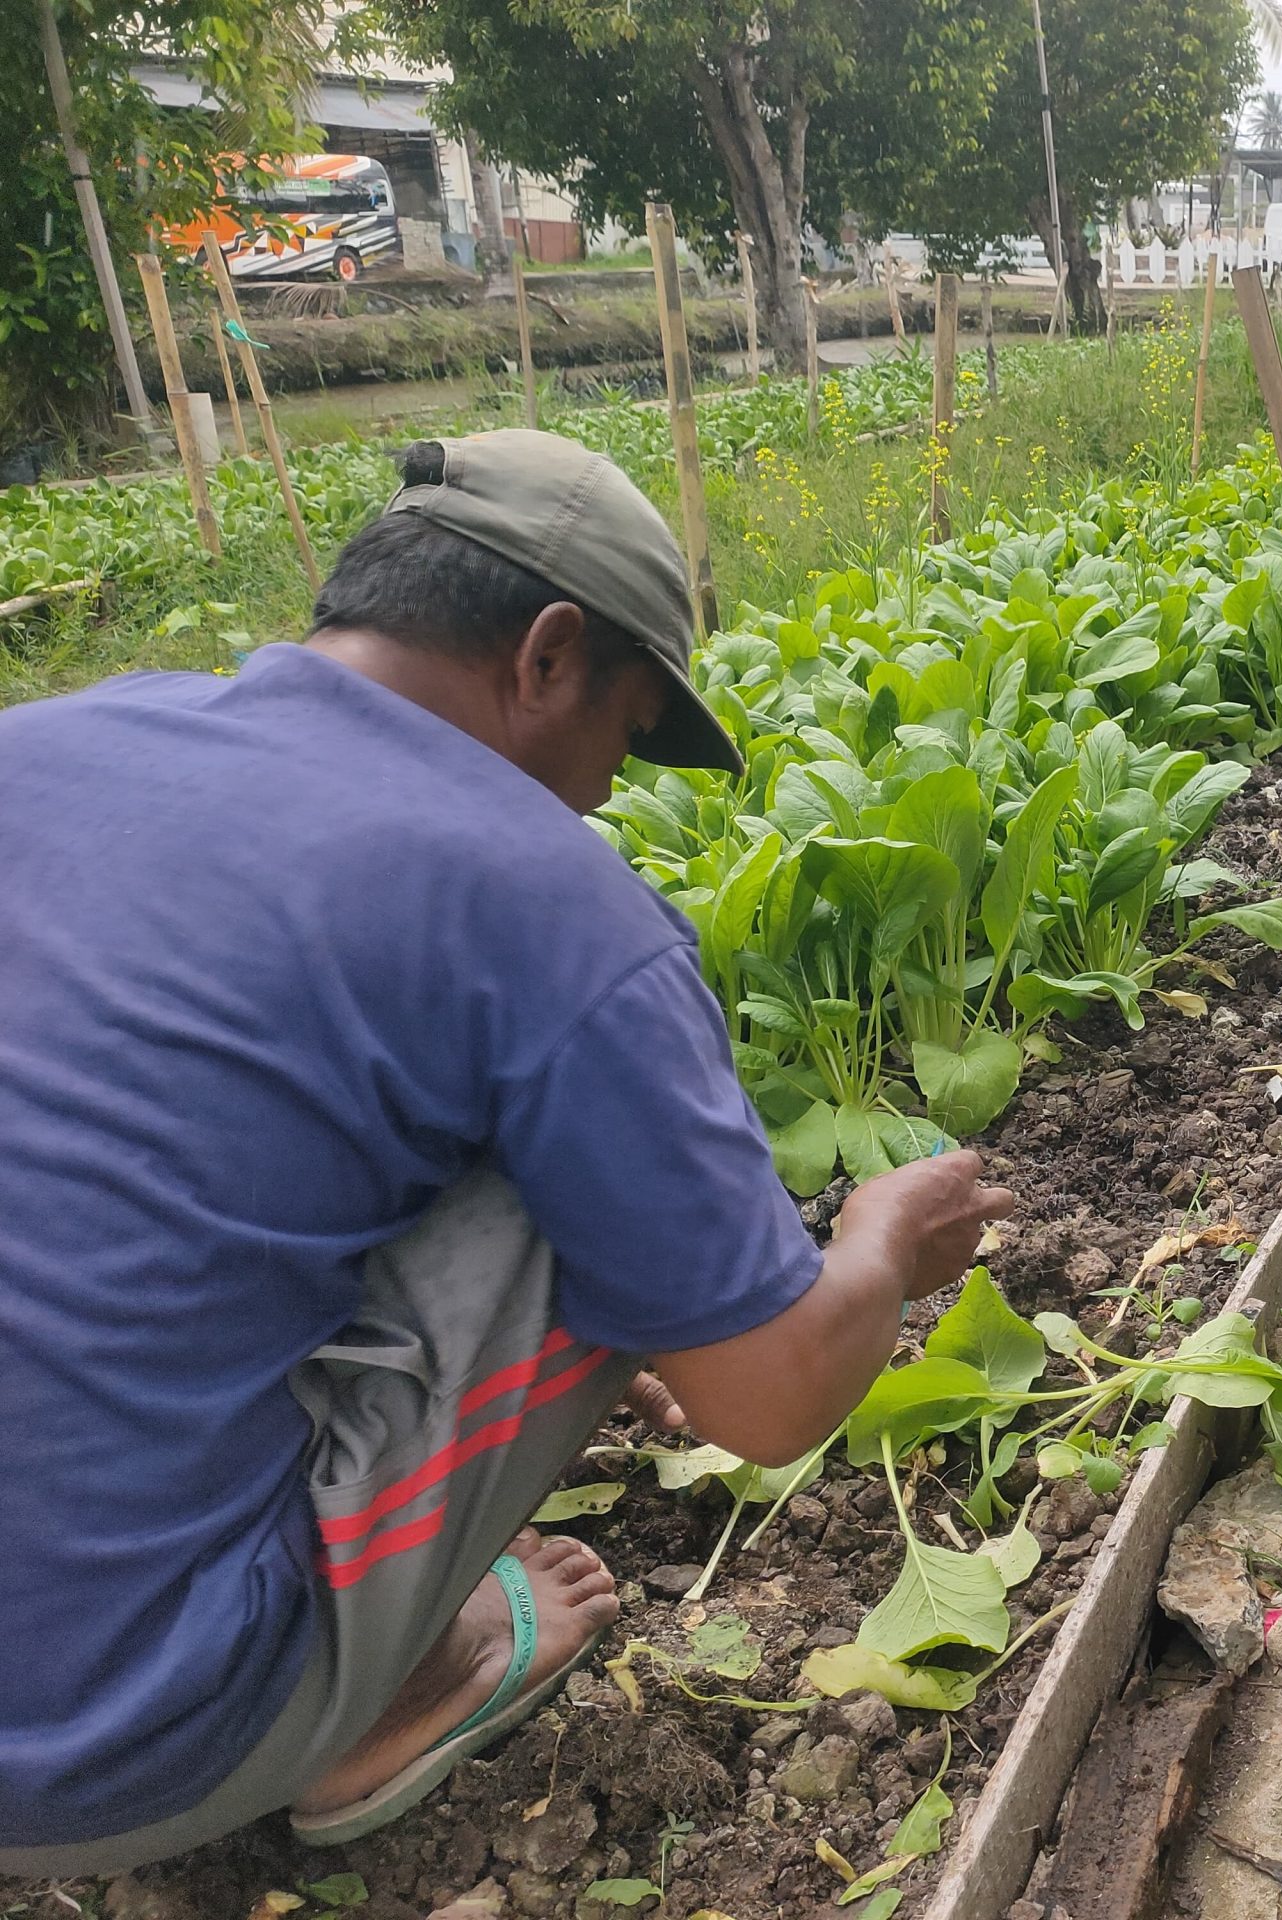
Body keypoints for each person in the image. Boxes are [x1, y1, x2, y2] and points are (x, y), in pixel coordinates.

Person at [0, 431, 1011, 1874]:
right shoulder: (541, 900)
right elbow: (773, 1401)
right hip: (101, 1744)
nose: (600, 793)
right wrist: (879, 1246)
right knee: (576, 1177)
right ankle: (386, 1700)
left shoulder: (45, 743)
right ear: (548, 656)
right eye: (624, 735)